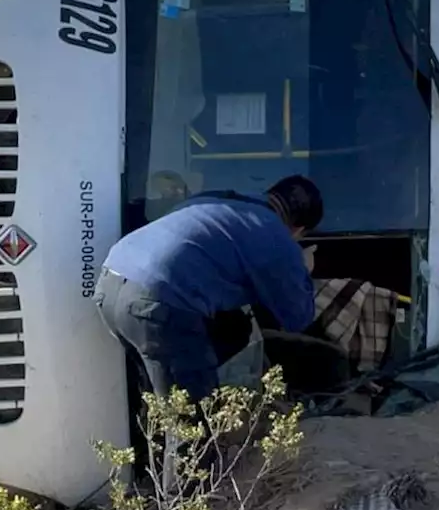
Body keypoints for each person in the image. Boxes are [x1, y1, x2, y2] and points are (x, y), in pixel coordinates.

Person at [94, 174, 322, 485]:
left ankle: (149, 495)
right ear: (298, 229)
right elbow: (298, 317)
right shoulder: (275, 236)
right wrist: (303, 268)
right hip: (158, 304)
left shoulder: (219, 200)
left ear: (270, 192)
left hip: (111, 287)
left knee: (162, 402)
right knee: (192, 425)